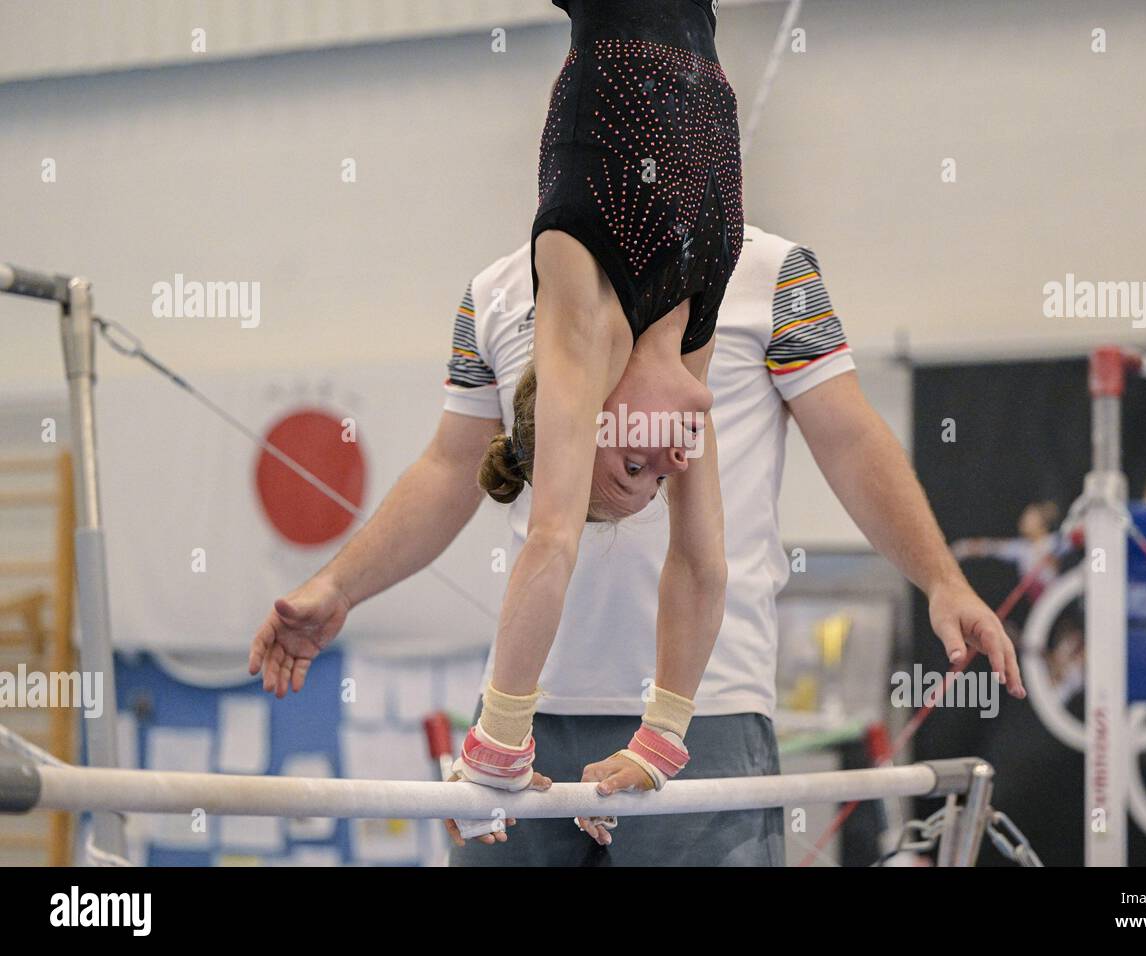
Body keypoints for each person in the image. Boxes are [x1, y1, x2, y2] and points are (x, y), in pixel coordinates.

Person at [248, 223, 1026, 865]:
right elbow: (452, 467)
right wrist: (339, 586)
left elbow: (852, 440)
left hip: (702, 712)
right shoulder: (498, 292)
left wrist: (942, 580)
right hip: (523, 712)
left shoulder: (769, 273)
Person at [252, 0, 746, 837]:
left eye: (633, 466)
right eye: (656, 480)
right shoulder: (685, 339)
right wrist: (662, 739)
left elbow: (549, 537)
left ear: (585, 416)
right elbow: (701, 566)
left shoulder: (583, 320)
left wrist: (499, 745)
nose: (670, 456)